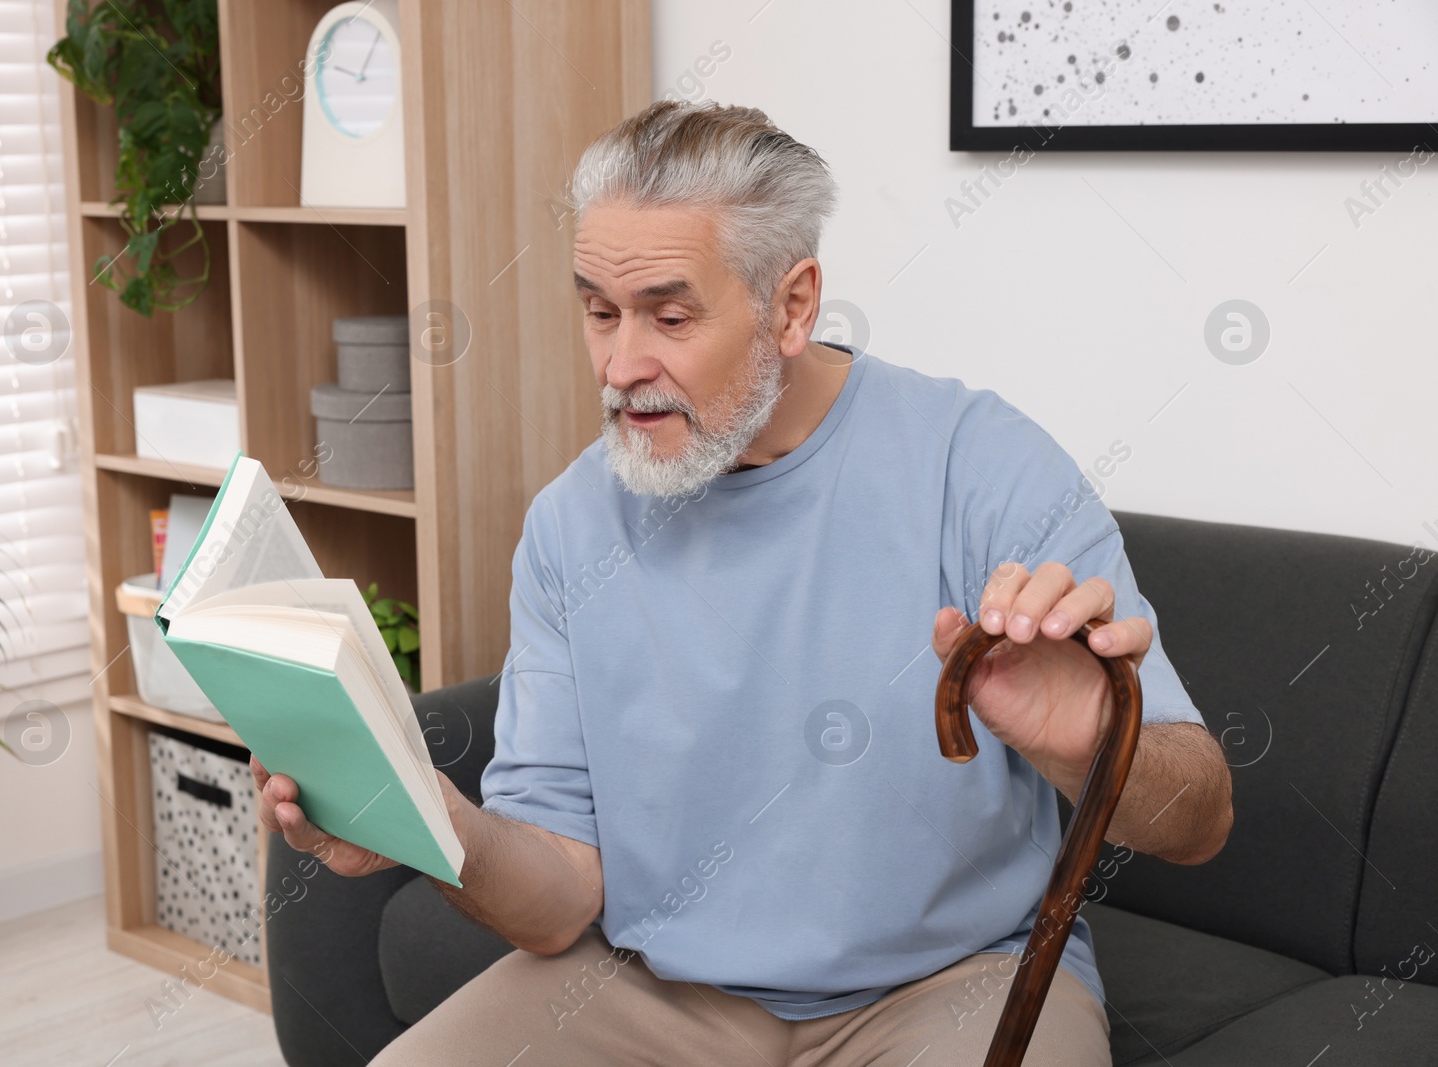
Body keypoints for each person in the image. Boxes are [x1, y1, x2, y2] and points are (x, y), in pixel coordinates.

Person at [251, 100, 1233, 1066]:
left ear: (793, 303)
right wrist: (435, 825)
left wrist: (1091, 742)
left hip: (953, 982)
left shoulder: (984, 466)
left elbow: (1198, 821)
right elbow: (556, 906)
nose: (620, 364)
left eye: (669, 315)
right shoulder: (568, 524)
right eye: (598, 310)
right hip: (649, 986)